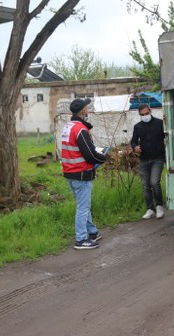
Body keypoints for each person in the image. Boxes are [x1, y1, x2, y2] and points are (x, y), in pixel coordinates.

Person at [61, 98, 107, 250]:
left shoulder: (68, 126)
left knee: (83, 205)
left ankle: (92, 232)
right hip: (81, 173)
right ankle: (81, 239)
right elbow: (90, 155)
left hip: (70, 172)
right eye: (86, 107)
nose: (88, 109)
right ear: (83, 111)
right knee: (83, 207)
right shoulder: (80, 129)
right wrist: (104, 157)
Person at [131, 103, 166, 220]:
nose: (145, 116)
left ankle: (159, 205)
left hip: (158, 158)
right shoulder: (138, 127)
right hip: (144, 159)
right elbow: (133, 141)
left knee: (154, 182)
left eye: (147, 113)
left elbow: (168, 137)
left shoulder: (160, 123)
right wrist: (135, 147)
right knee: (146, 186)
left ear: (150, 111)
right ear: (139, 114)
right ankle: (150, 208)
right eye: (142, 114)